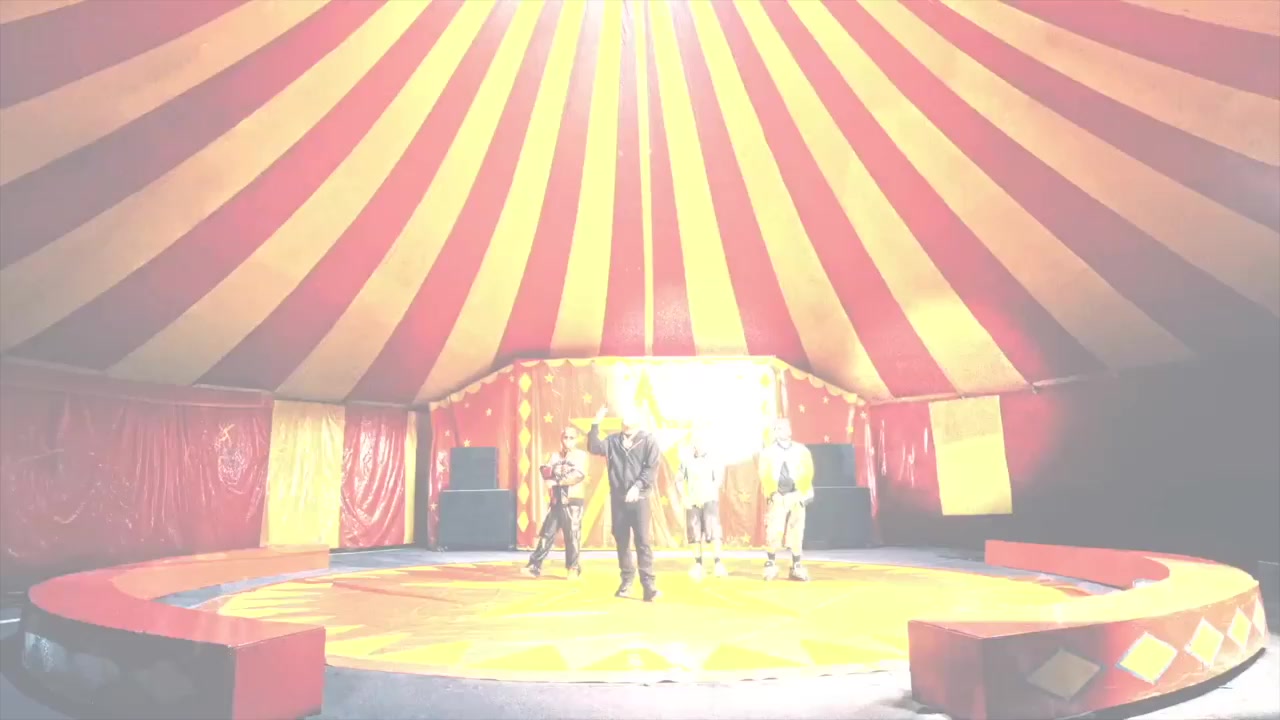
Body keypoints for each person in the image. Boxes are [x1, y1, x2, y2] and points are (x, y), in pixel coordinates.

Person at [589, 405, 662, 601]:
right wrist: (596, 423)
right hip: (619, 499)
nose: (626, 423)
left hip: (639, 499)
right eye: (624, 421)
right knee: (622, 540)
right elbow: (594, 447)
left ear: (637, 422)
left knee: (642, 541)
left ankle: (648, 586)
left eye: (630, 420)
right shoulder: (613, 441)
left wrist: (637, 486)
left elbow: (651, 468)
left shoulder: (648, 441)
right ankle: (626, 582)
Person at [522, 426, 588, 579]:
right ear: (561, 439)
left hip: (573, 501)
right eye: (565, 437)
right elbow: (544, 470)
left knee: (572, 536)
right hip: (557, 501)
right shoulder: (554, 456)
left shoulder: (581, 455)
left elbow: (578, 475)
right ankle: (534, 566)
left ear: (576, 439)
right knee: (547, 534)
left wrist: (557, 480)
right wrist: (551, 474)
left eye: (571, 438)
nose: (568, 440)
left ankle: (573, 567)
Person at [757, 418, 814, 581]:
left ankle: (796, 565)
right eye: (778, 428)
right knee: (774, 529)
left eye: (784, 427)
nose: (782, 430)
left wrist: (801, 491)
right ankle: (770, 563)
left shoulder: (801, 450)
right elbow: (764, 473)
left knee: (797, 529)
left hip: (797, 495)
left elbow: (808, 471)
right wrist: (772, 492)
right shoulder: (767, 452)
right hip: (778, 495)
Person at [678, 433, 726, 580]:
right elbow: (678, 480)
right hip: (692, 502)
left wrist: (705, 495)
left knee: (714, 532)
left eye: (700, 441)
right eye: (695, 442)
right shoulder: (686, 460)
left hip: (709, 500)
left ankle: (718, 563)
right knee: (694, 533)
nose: (697, 445)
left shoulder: (713, 459)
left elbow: (718, 481)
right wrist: (684, 497)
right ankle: (698, 564)